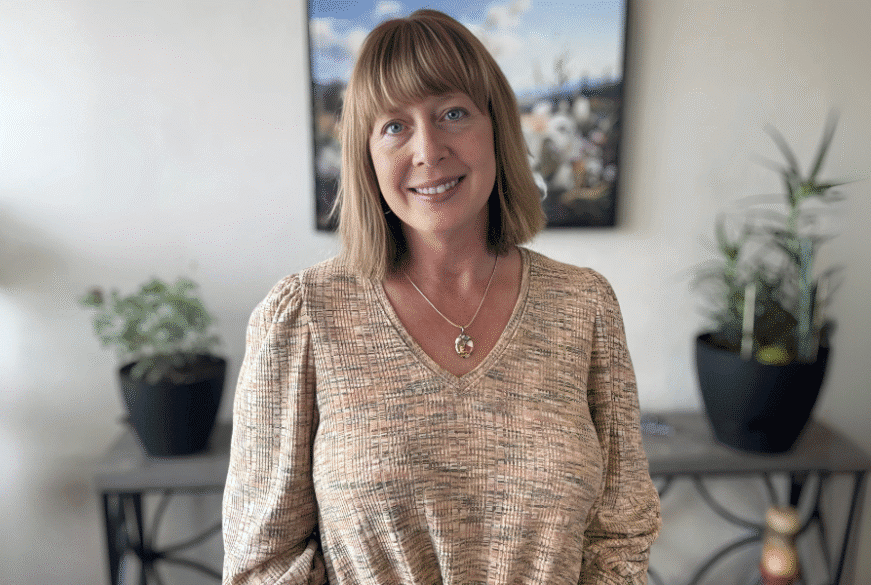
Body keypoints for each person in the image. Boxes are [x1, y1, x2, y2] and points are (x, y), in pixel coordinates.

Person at [222, 9, 660, 585]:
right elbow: (262, 564)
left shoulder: (584, 306)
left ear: (496, 128)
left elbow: (621, 534)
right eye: (394, 126)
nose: (428, 150)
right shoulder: (302, 317)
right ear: (366, 154)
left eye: (453, 113)